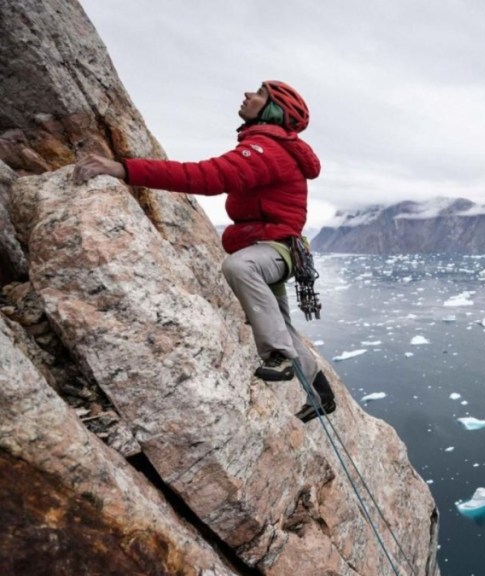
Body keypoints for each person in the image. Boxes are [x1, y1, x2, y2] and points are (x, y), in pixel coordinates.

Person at [73, 80, 335, 423]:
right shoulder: (269, 147)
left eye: (259, 94)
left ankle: (278, 356)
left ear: (273, 110)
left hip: (274, 250)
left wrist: (125, 169)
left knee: (241, 268)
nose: (246, 95)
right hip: (279, 249)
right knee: (281, 324)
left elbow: (205, 176)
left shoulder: (267, 151)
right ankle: (322, 396)